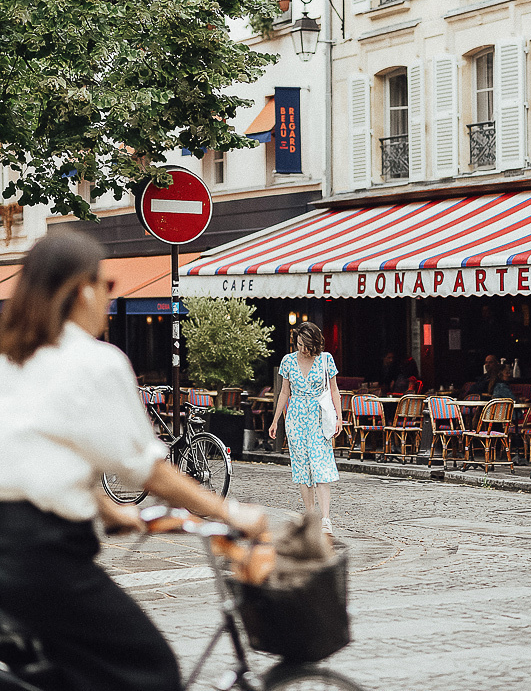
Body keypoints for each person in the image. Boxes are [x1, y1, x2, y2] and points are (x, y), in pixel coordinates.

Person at [0, 231, 264, 691]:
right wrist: (231, 511)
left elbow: (43, 457)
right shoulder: (94, 362)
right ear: (84, 289)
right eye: (109, 285)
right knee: (150, 671)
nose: (108, 298)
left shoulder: (9, 361)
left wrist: (112, 511)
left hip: (11, 549)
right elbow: (150, 471)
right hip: (42, 554)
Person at [268, 322, 341, 536]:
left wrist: (339, 417)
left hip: (319, 416)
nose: (302, 349)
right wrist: (275, 421)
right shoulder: (288, 361)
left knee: (321, 465)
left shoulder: (326, 359)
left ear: (315, 343)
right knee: (302, 468)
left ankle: (326, 519)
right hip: (296, 417)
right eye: (299, 344)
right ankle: (311, 517)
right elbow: (284, 393)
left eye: (306, 345)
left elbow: (335, 390)